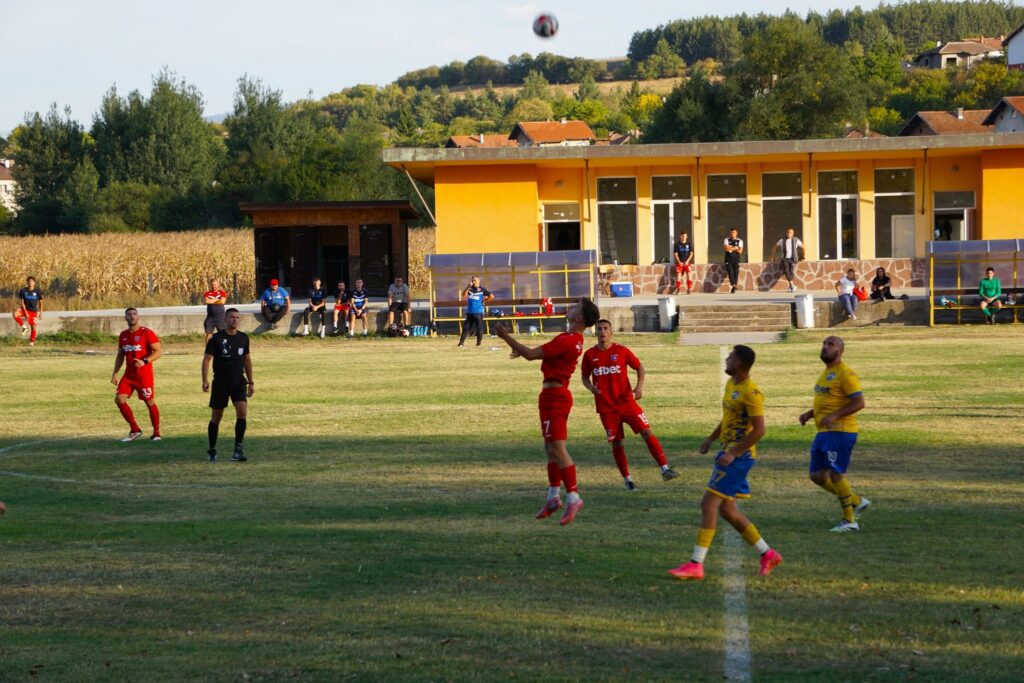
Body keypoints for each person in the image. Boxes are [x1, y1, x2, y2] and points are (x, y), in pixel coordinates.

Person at [668, 345, 782, 580]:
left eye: (730, 357)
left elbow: (759, 430)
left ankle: (696, 564)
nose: (727, 360)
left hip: (738, 459)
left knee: (708, 504)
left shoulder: (752, 392)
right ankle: (767, 553)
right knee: (728, 510)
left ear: (739, 363)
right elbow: (728, 418)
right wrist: (711, 439)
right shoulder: (732, 385)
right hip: (728, 454)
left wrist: (734, 453)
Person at [494, 298, 601, 526]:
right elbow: (537, 354)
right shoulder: (571, 339)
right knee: (550, 448)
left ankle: (574, 498)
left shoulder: (569, 340)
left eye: (574, 307)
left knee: (558, 448)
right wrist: (518, 348)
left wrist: (505, 337)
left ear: (579, 317)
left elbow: (532, 354)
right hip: (551, 396)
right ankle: (553, 497)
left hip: (556, 397)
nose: (570, 308)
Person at [581, 319, 678, 490]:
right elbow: (584, 377)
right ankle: (628, 480)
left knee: (646, 431)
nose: (602, 331)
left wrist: (639, 388)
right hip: (606, 407)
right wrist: (590, 388)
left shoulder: (621, 351)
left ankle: (665, 469)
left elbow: (640, 368)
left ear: (611, 332)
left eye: (605, 328)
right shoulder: (589, 355)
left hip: (626, 402)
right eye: (599, 329)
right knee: (617, 443)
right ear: (595, 332)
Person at [799, 336, 870, 532]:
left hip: (840, 431)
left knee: (836, 473)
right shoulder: (826, 374)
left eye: (831, 344)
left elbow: (859, 402)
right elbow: (828, 401)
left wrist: (835, 416)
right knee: (817, 476)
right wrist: (810, 413)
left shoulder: (845, 374)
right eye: (824, 343)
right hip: (824, 431)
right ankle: (856, 501)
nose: (825, 347)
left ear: (840, 350)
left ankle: (849, 521)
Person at [202, 308, 254, 462]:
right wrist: (204, 380)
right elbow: (206, 359)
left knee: (242, 412)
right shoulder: (216, 338)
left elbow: (247, 360)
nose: (235, 320)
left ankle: (238, 449)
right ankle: (212, 449)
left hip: (238, 380)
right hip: (221, 381)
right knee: (216, 417)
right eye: (231, 317)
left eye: (237, 317)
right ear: (225, 319)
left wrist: (251, 382)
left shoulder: (244, 338)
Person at [111, 307, 162, 442]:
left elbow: (158, 351)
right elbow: (120, 355)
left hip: (143, 375)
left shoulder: (147, 333)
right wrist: (115, 373)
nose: (132, 316)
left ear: (138, 317)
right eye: (129, 314)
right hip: (129, 376)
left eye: (134, 314)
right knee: (119, 399)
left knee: (149, 401)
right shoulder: (123, 335)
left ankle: (156, 433)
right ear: (125, 318)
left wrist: (145, 361)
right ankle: (135, 429)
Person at [457, 275, 493, 347]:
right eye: (472, 280)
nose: (473, 282)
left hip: (479, 312)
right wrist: (468, 286)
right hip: (470, 312)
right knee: (466, 327)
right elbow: (463, 295)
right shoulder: (470, 289)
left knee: (479, 327)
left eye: (475, 281)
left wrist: (484, 301)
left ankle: (478, 343)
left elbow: (492, 296)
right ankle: (461, 343)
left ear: (478, 281)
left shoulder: (482, 289)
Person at [769, 228, 804, 293]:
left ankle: (790, 286)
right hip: (784, 259)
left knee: (791, 272)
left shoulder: (796, 240)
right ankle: (792, 285)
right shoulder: (782, 240)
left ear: (793, 234)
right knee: (786, 270)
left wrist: (803, 256)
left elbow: (803, 247)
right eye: (787, 232)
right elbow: (774, 247)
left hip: (793, 259)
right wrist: (773, 257)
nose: (788, 233)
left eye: (790, 232)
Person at [13, 276, 43, 347]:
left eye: (32, 281)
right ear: (27, 282)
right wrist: (26, 313)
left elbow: (41, 303)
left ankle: (32, 342)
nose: (30, 282)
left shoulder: (38, 292)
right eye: (29, 281)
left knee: (33, 327)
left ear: (34, 283)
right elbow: (22, 302)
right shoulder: (23, 291)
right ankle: (24, 327)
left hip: (33, 311)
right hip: (25, 310)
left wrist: (40, 313)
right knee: (15, 314)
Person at [202, 278, 228, 343]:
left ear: (218, 285)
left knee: (223, 334)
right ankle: (208, 350)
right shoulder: (207, 293)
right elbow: (207, 301)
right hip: (210, 317)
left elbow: (222, 302)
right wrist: (216, 299)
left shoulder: (222, 292)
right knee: (209, 334)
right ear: (210, 285)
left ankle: (224, 349)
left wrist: (212, 301)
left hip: (220, 317)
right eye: (212, 285)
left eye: (215, 285)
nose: (214, 286)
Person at [723, 228, 743, 294]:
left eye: (734, 232)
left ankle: (734, 287)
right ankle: (733, 284)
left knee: (736, 273)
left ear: (736, 233)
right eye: (731, 232)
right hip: (728, 259)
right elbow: (726, 249)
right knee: (730, 272)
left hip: (736, 259)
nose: (732, 234)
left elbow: (740, 251)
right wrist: (735, 247)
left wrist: (730, 247)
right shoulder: (726, 240)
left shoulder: (740, 241)